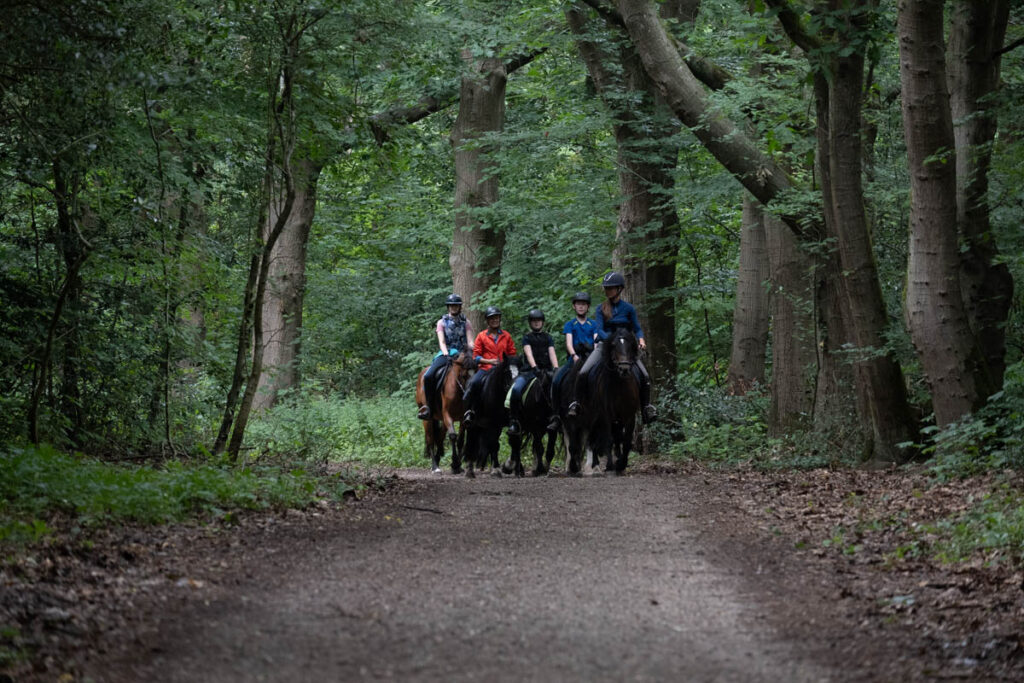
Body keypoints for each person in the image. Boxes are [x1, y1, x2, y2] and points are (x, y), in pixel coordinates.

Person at [567, 271, 657, 423]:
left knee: (645, 376)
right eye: (606, 288)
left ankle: (646, 408)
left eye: (611, 288)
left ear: (619, 289)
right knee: (583, 372)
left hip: (626, 348)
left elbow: (637, 328)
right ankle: (577, 403)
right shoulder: (601, 309)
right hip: (606, 345)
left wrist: (641, 340)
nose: (608, 291)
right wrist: (612, 340)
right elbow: (599, 330)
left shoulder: (628, 308)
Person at [417, 293, 474, 420]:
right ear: (448, 307)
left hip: (463, 354)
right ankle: (428, 407)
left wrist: (471, 351)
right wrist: (446, 354)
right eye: (452, 305)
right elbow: (442, 342)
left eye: (456, 305)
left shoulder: (466, 322)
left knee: (478, 374)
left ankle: (475, 408)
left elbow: (470, 341)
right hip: (446, 353)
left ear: (460, 307)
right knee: (428, 375)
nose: (454, 307)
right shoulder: (441, 322)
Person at [547, 292, 597, 431]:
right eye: (578, 304)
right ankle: (556, 416)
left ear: (588, 307)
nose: (581, 307)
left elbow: (597, 341)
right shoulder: (570, 324)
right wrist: (574, 355)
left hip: (590, 358)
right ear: (574, 306)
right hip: (574, 359)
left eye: (584, 304)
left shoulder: (593, 324)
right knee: (556, 380)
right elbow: (568, 342)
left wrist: (593, 353)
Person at [507, 309, 559, 436]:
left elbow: (552, 353)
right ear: (530, 323)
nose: (536, 323)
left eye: (539, 321)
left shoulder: (548, 337)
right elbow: (528, 353)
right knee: (516, 389)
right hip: (530, 371)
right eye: (534, 321)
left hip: (547, 370)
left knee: (558, 388)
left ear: (542, 322)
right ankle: (515, 421)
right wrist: (534, 367)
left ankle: (557, 418)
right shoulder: (527, 337)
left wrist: (556, 368)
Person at [462, 306, 517, 424]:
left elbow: (512, 353)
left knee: (516, 385)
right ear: (487, 320)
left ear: (499, 319)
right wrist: (490, 361)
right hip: (486, 369)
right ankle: (470, 411)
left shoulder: (506, 335)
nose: (494, 320)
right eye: (491, 318)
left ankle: (515, 416)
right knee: (474, 383)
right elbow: (475, 356)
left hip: (504, 370)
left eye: (496, 318)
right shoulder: (481, 336)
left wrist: (508, 362)